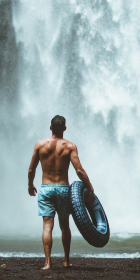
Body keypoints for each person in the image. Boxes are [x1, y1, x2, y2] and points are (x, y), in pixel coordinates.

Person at [28, 115, 94, 270]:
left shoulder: (40, 144)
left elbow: (32, 169)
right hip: (64, 189)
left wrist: (30, 185)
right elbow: (79, 170)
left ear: (50, 128)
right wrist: (90, 188)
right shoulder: (70, 146)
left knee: (47, 226)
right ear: (65, 128)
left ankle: (48, 263)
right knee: (65, 226)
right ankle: (66, 260)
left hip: (46, 188)